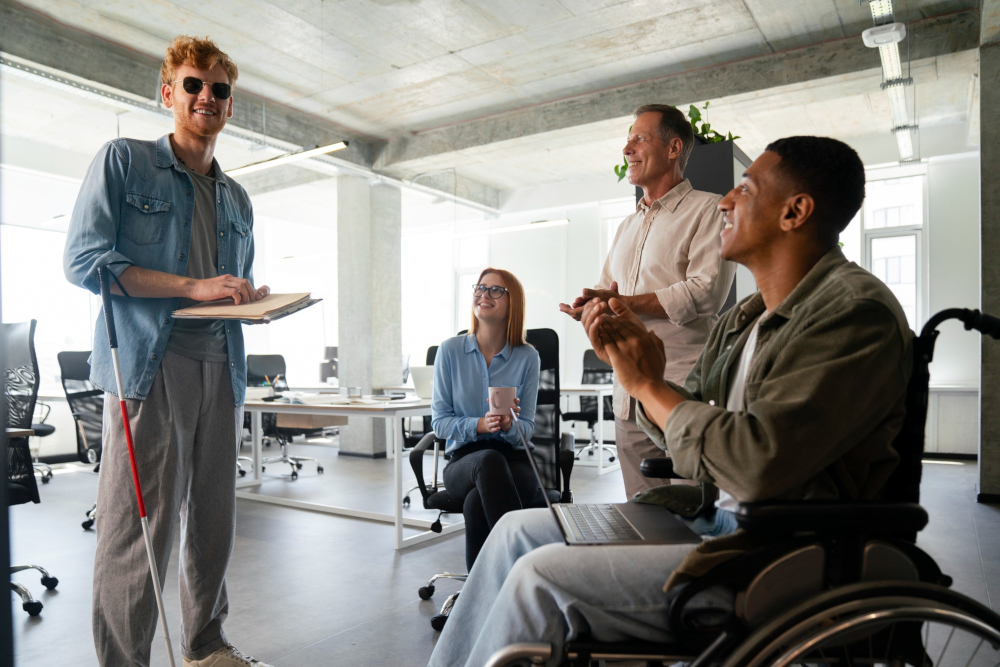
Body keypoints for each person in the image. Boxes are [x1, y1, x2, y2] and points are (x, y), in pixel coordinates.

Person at [427, 136, 913, 667]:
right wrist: (642, 371)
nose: (726, 200)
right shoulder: (744, 318)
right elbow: (692, 424)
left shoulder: (852, 311)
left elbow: (757, 463)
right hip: (709, 520)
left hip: (774, 553)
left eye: (745, 189)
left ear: (795, 211)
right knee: (514, 529)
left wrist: (647, 386)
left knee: (536, 578)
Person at [64, 36, 273, 667]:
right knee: (139, 531)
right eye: (193, 84)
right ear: (168, 93)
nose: (206, 96)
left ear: (230, 106)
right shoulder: (125, 163)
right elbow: (84, 261)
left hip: (221, 369)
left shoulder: (236, 198)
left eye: (219, 89)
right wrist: (194, 286)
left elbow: (223, 285)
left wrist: (247, 298)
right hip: (150, 369)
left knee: (212, 524)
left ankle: (206, 647)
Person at [559, 104, 736, 497]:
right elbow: (610, 290)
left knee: (693, 519)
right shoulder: (627, 224)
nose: (627, 148)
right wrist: (592, 308)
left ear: (673, 149)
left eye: (639, 138)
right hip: (628, 401)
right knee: (641, 520)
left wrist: (627, 303)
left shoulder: (709, 209)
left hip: (681, 393)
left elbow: (706, 292)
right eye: (628, 139)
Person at [432, 268, 541, 570]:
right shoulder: (450, 351)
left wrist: (510, 425)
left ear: (513, 302)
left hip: (516, 460)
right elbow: (439, 423)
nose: (483, 294)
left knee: (475, 504)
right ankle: (526, 573)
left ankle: (476, 602)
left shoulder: (527, 356)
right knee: (488, 460)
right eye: (480, 287)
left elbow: (528, 428)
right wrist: (479, 425)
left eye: (495, 290)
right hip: (464, 462)